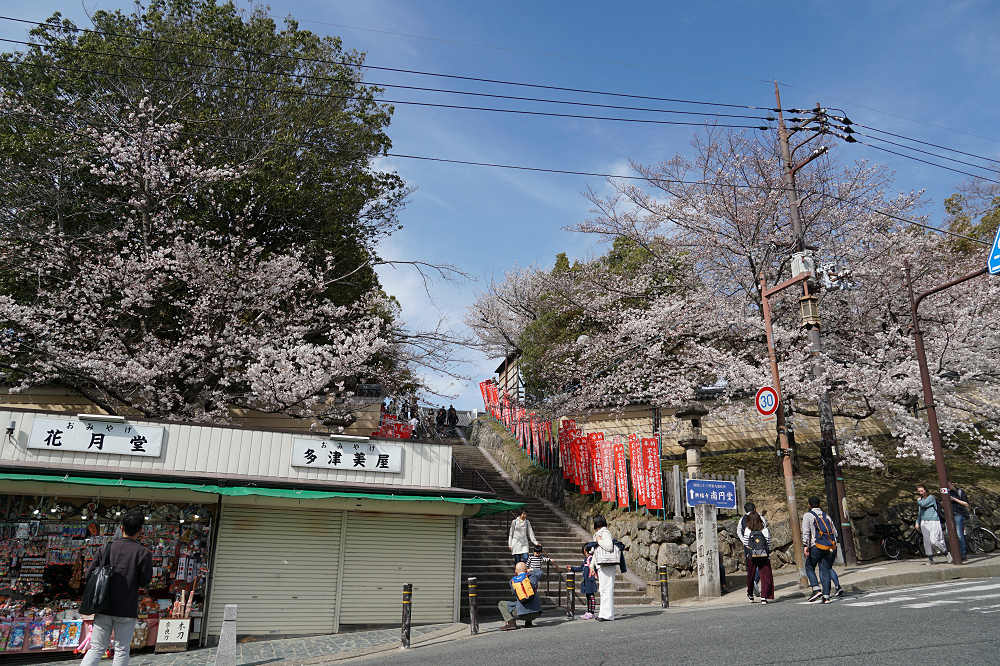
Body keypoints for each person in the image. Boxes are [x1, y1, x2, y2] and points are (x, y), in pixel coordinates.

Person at [80, 510, 152, 666]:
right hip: (126, 607)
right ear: (140, 530)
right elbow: (145, 581)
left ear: (121, 527)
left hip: (103, 604)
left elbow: (89, 574)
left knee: (97, 648)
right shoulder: (143, 553)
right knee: (121, 649)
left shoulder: (106, 548)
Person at [801, 496, 838, 604]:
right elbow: (835, 532)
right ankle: (826, 597)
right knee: (825, 569)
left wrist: (805, 546)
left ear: (809, 505)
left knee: (809, 566)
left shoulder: (808, 515)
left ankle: (816, 589)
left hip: (816, 546)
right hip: (830, 546)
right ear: (819, 504)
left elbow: (806, 532)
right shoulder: (827, 516)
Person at [739, 506, 773, 604]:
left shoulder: (747, 530)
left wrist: (751, 550)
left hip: (751, 556)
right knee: (765, 576)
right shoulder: (765, 529)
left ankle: (750, 595)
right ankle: (764, 597)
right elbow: (768, 543)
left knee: (751, 575)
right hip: (763, 556)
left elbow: (745, 543)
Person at [590, 515, 619, 621]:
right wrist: (591, 565)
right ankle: (603, 613)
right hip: (602, 564)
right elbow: (595, 552)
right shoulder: (599, 533)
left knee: (607, 589)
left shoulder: (605, 532)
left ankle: (608, 615)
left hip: (607, 564)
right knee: (603, 589)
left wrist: (599, 541)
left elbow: (609, 546)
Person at [499, 562, 542, 630]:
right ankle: (528, 622)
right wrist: (530, 570)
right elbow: (540, 572)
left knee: (501, 604)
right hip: (536, 612)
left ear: (516, 571)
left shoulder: (512, 581)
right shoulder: (533, 576)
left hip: (522, 615)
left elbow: (515, 594)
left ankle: (511, 623)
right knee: (529, 598)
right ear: (526, 569)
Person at [915, 484, 950, 564]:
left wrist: (918, 501)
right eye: (919, 491)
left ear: (926, 490)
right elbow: (920, 512)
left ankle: (946, 553)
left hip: (934, 521)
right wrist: (917, 522)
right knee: (927, 541)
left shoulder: (931, 498)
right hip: (924, 522)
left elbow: (923, 504)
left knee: (934, 540)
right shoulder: (920, 500)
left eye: (922, 490)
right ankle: (930, 559)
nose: (921, 492)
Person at [738, 502, 766, 597]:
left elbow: (739, 532)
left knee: (751, 566)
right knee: (760, 565)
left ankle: (751, 585)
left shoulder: (742, 519)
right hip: (760, 546)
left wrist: (745, 543)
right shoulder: (760, 518)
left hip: (748, 547)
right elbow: (765, 530)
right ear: (754, 508)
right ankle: (755, 580)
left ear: (745, 510)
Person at [567, 544, 598, 619]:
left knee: (591, 596)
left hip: (590, 580)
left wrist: (595, 575)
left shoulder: (591, 558)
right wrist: (572, 568)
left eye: (585, 550)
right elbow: (581, 568)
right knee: (588, 596)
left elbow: (595, 568)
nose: (585, 552)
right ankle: (589, 611)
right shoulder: (585, 559)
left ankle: (592, 612)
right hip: (586, 580)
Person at [948, 480, 971, 562]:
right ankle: (955, 554)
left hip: (958, 514)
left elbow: (966, 504)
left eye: (948, 484)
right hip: (949, 516)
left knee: (959, 535)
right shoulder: (946, 493)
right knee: (949, 535)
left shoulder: (960, 492)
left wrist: (954, 499)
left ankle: (963, 554)